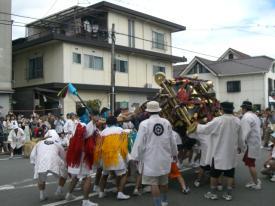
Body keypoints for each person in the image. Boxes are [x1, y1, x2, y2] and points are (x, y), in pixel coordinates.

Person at [192, 102, 244, 201]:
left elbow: (205, 129)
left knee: (214, 174)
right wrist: (242, 147)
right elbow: (240, 137)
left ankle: (212, 193)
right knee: (230, 174)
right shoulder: (237, 120)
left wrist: (197, 125)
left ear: (222, 109)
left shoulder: (218, 120)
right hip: (231, 152)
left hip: (219, 153)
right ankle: (228, 194)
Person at [131, 101, 178, 206]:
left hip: (150, 158)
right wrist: (175, 153)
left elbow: (139, 143)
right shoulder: (166, 122)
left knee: (153, 183)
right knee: (164, 181)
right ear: (158, 110)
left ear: (148, 112)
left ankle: (158, 204)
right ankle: (165, 201)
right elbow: (172, 140)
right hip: (165, 156)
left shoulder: (144, 124)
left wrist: (135, 157)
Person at [65, 109, 98, 206]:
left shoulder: (79, 123)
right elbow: (87, 134)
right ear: (86, 114)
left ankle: (69, 194)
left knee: (76, 176)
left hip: (78, 153)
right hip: (83, 154)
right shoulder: (83, 125)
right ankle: (86, 201)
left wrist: (93, 121)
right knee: (87, 177)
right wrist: (92, 121)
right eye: (88, 113)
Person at [98, 116, 130, 200]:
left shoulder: (103, 132)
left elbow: (99, 146)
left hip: (106, 156)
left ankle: (101, 192)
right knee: (124, 174)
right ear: (116, 122)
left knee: (104, 175)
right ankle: (120, 192)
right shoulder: (120, 130)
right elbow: (124, 144)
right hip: (117, 155)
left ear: (107, 123)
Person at [30, 134, 67, 201]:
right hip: (54, 161)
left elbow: (32, 155)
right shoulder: (57, 143)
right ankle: (59, 191)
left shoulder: (39, 143)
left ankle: (42, 195)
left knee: (41, 178)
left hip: (41, 161)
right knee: (64, 174)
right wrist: (65, 165)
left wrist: (34, 164)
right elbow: (63, 156)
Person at [240, 101, 262, 190]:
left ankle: (256, 183)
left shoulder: (246, 117)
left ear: (244, 108)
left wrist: (240, 145)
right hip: (255, 142)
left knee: (250, 164)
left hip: (251, 143)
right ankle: (254, 180)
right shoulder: (254, 116)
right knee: (250, 163)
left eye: (242, 108)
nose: (241, 110)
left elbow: (244, 133)